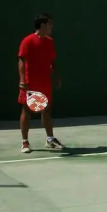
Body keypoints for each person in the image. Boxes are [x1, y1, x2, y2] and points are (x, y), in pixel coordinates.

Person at [17, 13, 64, 153]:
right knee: (26, 111)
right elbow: (21, 61)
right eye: (50, 24)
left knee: (47, 110)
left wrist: (56, 77)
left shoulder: (50, 41)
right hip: (30, 83)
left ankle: (50, 139)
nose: (52, 27)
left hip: (45, 82)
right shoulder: (27, 41)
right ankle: (25, 142)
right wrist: (22, 80)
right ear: (42, 25)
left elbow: (52, 61)